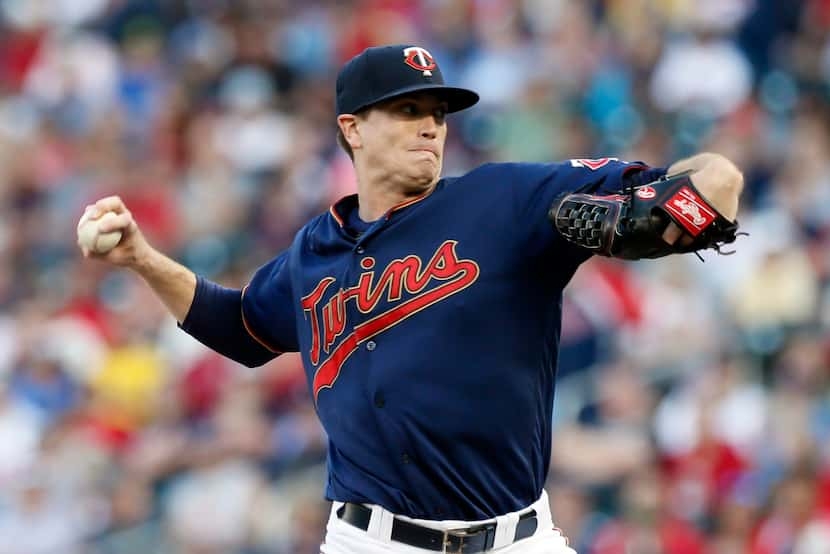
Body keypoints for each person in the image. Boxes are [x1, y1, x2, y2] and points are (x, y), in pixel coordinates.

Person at [79, 44, 744, 554]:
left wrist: (670, 213)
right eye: (407, 110)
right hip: (368, 538)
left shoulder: (506, 200)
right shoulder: (316, 254)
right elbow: (242, 329)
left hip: (513, 537)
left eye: (436, 112)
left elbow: (718, 181)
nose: (430, 125)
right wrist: (141, 258)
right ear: (353, 128)